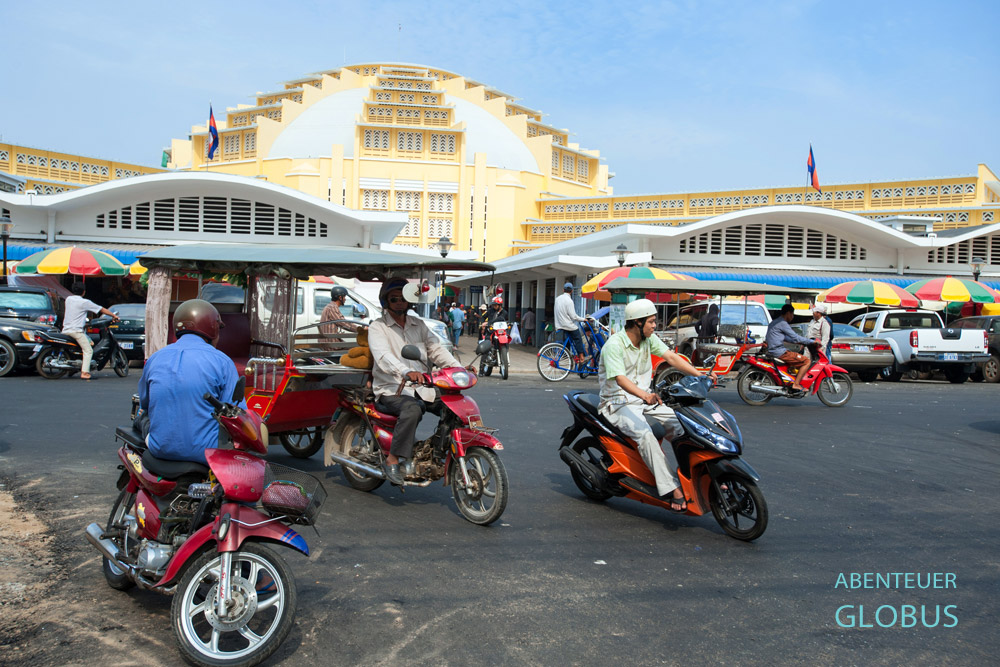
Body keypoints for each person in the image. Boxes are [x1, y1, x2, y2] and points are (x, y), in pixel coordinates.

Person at [598, 298, 712, 511]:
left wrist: (702, 376)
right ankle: (671, 489)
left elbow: (672, 357)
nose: (654, 326)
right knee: (646, 435)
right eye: (651, 321)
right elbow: (620, 379)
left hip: (644, 400)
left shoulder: (648, 340)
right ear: (637, 323)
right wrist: (645, 395)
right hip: (617, 403)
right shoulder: (614, 345)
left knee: (682, 427)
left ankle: (697, 476)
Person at [368, 278, 462, 485]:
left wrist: (458, 368)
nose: (400, 302)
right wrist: (405, 371)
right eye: (394, 299)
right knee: (413, 409)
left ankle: (436, 452)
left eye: (403, 299)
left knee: (455, 408)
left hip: (423, 387)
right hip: (391, 388)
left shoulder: (418, 324)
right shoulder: (378, 327)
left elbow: (436, 349)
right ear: (386, 301)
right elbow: (383, 356)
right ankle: (393, 459)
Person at [138, 299, 243, 463]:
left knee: (142, 417)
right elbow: (237, 412)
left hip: (160, 450)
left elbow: (145, 403)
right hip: (207, 454)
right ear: (213, 328)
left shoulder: (155, 359)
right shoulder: (223, 362)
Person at [62, 283, 118, 380]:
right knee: (88, 350)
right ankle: (85, 372)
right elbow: (101, 309)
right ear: (84, 292)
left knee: (90, 342)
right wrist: (113, 315)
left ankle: (76, 366)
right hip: (76, 331)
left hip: (66, 329)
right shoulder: (85, 302)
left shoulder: (68, 299)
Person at [765, 304, 815, 392]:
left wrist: (800, 342)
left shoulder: (775, 322)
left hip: (773, 350)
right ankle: (796, 384)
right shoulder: (783, 323)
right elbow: (795, 337)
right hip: (779, 352)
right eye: (792, 314)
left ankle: (791, 380)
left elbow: (788, 338)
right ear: (788, 313)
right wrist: (811, 342)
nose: (792, 317)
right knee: (807, 361)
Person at [555, 282, 589, 362]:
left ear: (563, 290)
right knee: (578, 338)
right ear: (572, 291)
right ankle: (581, 357)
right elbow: (573, 316)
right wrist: (583, 319)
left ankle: (565, 355)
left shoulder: (557, 299)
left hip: (559, 324)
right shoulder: (569, 301)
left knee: (569, 340)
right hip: (567, 325)